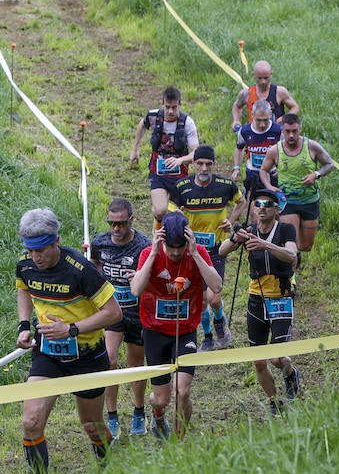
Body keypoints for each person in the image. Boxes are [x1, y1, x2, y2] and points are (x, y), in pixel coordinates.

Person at [15, 208, 123, 474]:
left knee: (91, 424)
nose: (36, 257)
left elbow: (113, 313)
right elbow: (24, 290)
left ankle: (109, 468)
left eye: (41, 249)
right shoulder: (26, 266)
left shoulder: (82, 270)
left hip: (86, 354)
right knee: (31, 421)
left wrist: (71, 329)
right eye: (30, 250)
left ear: (57, 240)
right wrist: (24, 326)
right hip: (48, 354)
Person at [130, 212, 222, 441]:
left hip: (186, 330)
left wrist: (194, 254)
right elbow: (136, 290)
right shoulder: (147, 254)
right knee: (161, 398)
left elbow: (217, 285)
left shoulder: (197, 252)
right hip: (155, 331)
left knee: (182, 390)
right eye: (170, 248)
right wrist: (153, 253)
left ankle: (179, 441)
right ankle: (158, 413)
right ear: (162, 241)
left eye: (179, 247)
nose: (175, 253)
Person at [216, 187, 300, 416]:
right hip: (255, 299)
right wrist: (235, 237)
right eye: (258, 205)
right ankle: (275, 402)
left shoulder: (285, 229)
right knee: (259, 362)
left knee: (277, 358)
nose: (261, 209)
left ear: (276, 209)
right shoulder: (249, 229)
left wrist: (265, 245)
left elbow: (292, 255)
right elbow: (222, 251)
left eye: (267, 205)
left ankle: (291, 375)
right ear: (253, 209)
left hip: (281, 297)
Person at [166, 145, 245, 351]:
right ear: (193, 164)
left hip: (215, 249)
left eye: (208, 164)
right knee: (200, 300)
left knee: (214, 296)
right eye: (199, 163)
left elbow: (241, 201)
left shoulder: (225, 185)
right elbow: (171, 211)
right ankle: (208, 336)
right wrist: (178, 218)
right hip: (191, 249)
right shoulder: (182, 186)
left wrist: (231, 221)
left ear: (213, 165)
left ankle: (220, 321)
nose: (203, 168)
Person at [89, 198, 151, 437]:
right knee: (110, 361)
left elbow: (152, 277)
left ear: (131, 220)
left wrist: (139, 276)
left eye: (121, 224)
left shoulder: (143, 245)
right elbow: (94, 264)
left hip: (137, 312)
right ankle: (112, 416)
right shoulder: (100, 242)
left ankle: (138, 411)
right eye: (111, 223)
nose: (116, 229)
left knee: (136, 365)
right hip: (112, 312)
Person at [260, 113, 334, 258]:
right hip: (287, 202)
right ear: (282, 130)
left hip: (310, 201)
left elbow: (329, 164)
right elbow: (263, 170)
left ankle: (295, 256)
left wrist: (316, 174)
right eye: (287, 131)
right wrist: (269, 186)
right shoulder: (275, 150)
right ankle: (290, 274)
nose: (291, 135)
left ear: (300, 129)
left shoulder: (312, 146)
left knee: (305, 246)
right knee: (290, 244)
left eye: (294, 131)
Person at [129, 86, 199, 225]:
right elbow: (142, 124)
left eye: (174, 107)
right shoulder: (154, 116)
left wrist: (180, 160)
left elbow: (196, 154)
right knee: (160, 211)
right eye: (167, 107)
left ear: (180, 105)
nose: (171, 111)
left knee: (178, 214)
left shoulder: (187, 123)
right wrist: (135, 149)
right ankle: (158, 233)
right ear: (162, 104)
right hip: (158, 170)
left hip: (179, 173)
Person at [232, 99, 283, 196]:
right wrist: (236, 167)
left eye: (266, 120)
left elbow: (286, 151)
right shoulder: (245, 131)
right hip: (253, 172)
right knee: (252, 200)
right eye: (258, 120)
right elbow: (239, 148)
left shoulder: (278, 130)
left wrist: (281, 167)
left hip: (272, 173)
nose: (262, 124)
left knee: (274, 202)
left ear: (271, 115)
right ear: (252, 115)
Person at [231, 59, 299, 131]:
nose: (263, 81)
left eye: (266, 78)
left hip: (276, 134)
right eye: (259, 78)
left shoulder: (279, 92)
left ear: (271, 74)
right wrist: (236, 120)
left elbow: (294, 107)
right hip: (255, 135)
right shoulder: (247, 93)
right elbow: (237, 107)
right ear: (254, 75)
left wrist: (285, 119)